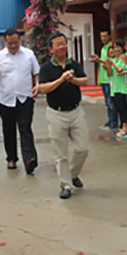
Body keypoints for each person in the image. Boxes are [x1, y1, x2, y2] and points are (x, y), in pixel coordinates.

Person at [38, 33, 90, 199]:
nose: (62, 47)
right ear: (51, 49)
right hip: (56, 114)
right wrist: (61, 79)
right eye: (58, 44)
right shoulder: (46, 68)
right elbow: (43, 89)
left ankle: (72, 175)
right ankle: (65, 185)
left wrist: (72, 79)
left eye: (64, 43)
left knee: (82, 149)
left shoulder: (74, 64)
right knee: (61, 154)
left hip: (75, 112)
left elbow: (84, 81)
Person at [0, 28, 40, 173]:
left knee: (25, 127)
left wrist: (37, 85)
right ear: (5, 42)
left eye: (15, 42)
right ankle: (11, 158)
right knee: (8, 129)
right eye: (10, 43)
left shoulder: (28, 54)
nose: (13, 46)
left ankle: (29, 159)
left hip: (25, 98)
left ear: (19, 41)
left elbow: (36, 72)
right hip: (5, 100)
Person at [90, 29, 118, 130]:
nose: (103, 38)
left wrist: (99, 60)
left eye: (105, 36)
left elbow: (110, 61)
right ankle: (110, 121)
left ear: (109, 36)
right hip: (103, 79)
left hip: (109, 78)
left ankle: (113, 122)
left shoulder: (111, 47)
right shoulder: (103, 48)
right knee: (107, 102)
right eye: (101, 36)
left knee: (111, 102)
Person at [105, 41, 127, 137]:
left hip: (123, 87)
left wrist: (112, 63)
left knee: (124, 109)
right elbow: (110, 74)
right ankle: (123, 126)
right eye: (114, 47)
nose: (115, 49)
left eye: (118, 47)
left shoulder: (124, 57)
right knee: (119, 108)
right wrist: (108, 67)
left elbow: (120, 69)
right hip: (115, 87)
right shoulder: (115, 59)